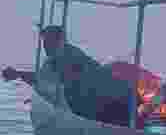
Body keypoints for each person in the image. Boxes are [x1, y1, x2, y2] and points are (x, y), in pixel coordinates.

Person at [4, 25, 132, 122]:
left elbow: (47, 79)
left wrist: (19, 74)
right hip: (111, 101)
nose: (46, 46)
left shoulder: (67, 56)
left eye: (50, 41)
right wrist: (19, 74)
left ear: (61, 40)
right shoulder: (62, 56)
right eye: (45, 41)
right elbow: (44, 78)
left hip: (116, 103)